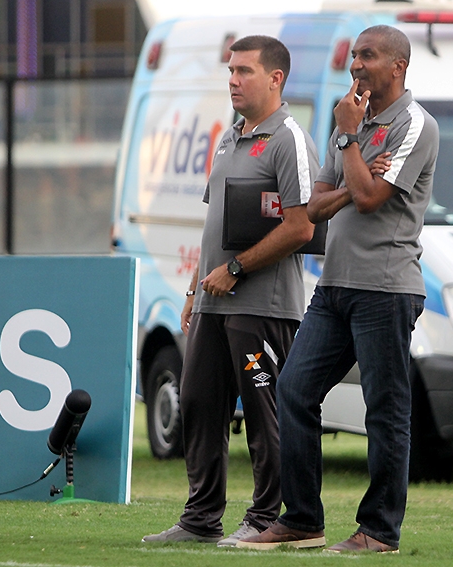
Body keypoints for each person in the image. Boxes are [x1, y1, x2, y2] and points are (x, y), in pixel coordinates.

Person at [238, 25, 439, 553]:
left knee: (384, 411)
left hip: (386, 288)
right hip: (334, 287)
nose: (356, 66)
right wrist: (354, 171)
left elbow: (372, 199)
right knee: (294, 390)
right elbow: (313, 205)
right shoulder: (350, 121)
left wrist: (350, 146)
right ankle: (303, 518)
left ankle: (379, 530)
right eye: (353, 57)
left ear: (398, 66)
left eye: (367, 57)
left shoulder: (414, 125)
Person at [142, 35, 319, 547]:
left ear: (275, 78)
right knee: (198, 404)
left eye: (244, 71)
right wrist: (198, 287)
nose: (233, 80)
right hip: (214, 304)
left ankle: (267, 518)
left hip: (261, 309)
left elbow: (301, 227)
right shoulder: (229, 137)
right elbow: (214, 224)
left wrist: (237, 269)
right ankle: (200, 519)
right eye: (231, 70)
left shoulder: (289, 140)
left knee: (265, 412)